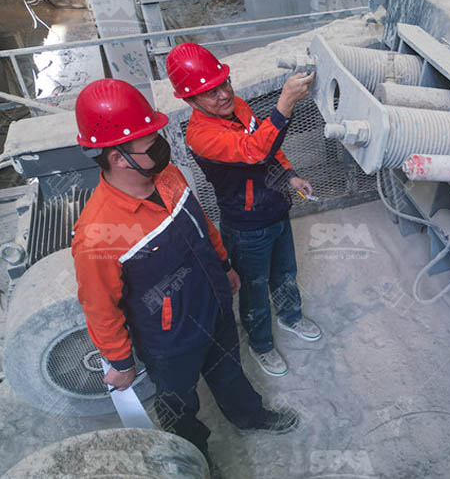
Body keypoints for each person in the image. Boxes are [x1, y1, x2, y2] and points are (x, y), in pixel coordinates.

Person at [71, 79, 297, 464]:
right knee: (178, 402)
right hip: (169, 340)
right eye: (149, 141)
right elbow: (100, 306)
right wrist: (121, 362)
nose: (161, 144)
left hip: (214, 303)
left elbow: (201, 224)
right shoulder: (98, 234)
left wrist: (224, 264)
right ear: (118, 157)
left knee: (229, 371)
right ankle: (193, 456)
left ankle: (249, 415)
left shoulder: (168, 175)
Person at [166, 42, 321, 377]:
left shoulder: (237, 105)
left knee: (285, 274)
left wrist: (290, 176)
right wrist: (284, 104)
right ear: (190, 100)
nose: (223, 95)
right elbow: (253, 152)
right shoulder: (200, 135)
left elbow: (270, 148)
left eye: (224, 83)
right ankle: (261, 344)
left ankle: (290, 316)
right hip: (248, 225)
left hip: (276, 209)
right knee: (253, 287)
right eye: (209, 92)